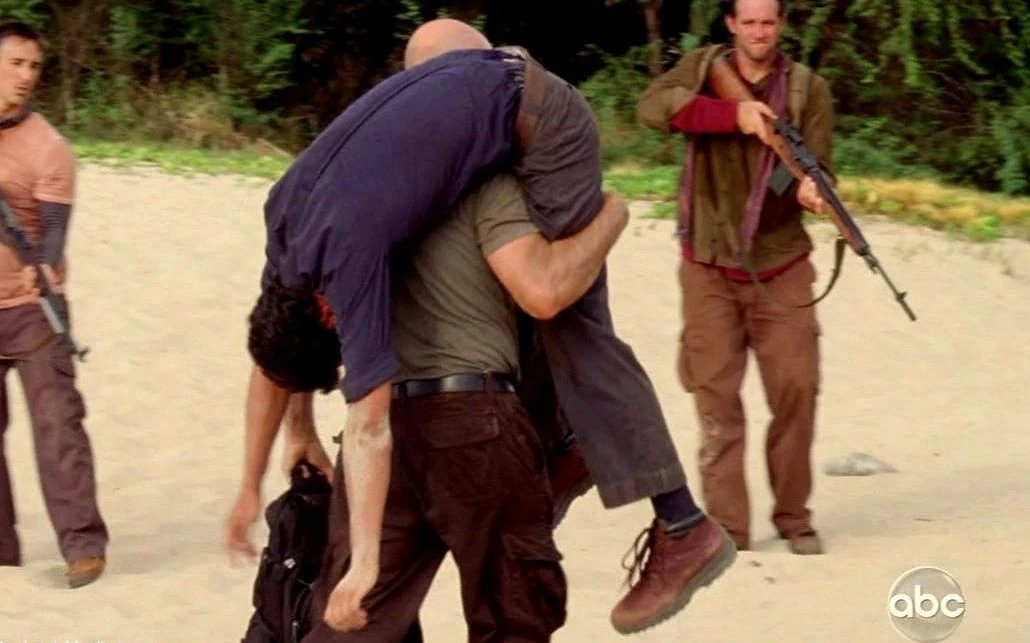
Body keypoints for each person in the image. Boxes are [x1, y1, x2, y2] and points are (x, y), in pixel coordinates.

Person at [244, 18, 735, 635]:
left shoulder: (358, 235)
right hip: (470, 428)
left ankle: (678, 519)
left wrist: (612, 215)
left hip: (546, 125)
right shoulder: (301, 215)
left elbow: (370, 422)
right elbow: (279, 332)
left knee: (574, 322)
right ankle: (561, 451)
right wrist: (295, 432)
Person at [636, 0, 835, 555]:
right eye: (749, 21)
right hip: (708, 265)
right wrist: (733, 115)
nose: (759, 32)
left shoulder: (808, 90)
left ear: (782, 24)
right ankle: (728, 528)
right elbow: (652, 108)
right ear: (731, 24)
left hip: (780, 263)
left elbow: (819, 166)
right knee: (715, 398)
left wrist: (812, 190)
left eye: (768, 21)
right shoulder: (702, 69)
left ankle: (793, 516)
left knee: (797, 389)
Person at [0, 21, 108, 587]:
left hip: (30, 310)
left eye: (34, 66)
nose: (26, 76)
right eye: (15, 63)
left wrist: (39, 266)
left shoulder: (49, 148)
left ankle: (83, 546)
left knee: (57, 425)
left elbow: (51, 238)